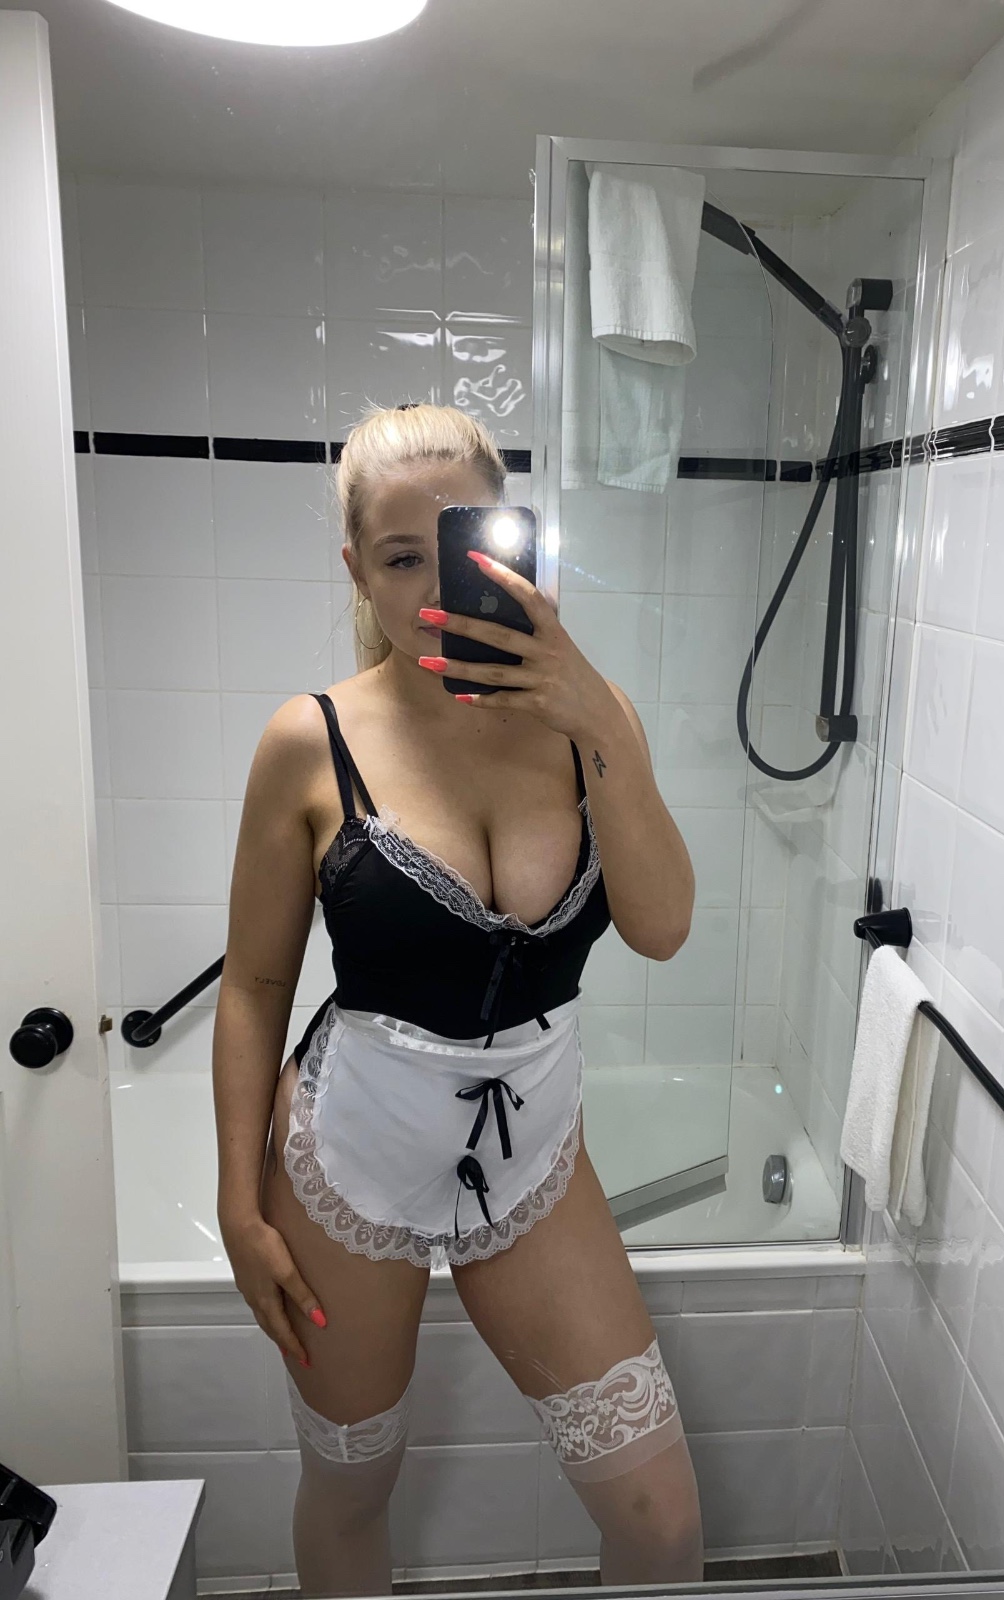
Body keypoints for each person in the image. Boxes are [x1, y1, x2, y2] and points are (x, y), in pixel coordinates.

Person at [213, 403, 702, 1598]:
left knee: (660, 1518)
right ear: (356, 570)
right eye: (399, 558)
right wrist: (237, 1200)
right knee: (352, 1487)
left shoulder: (592, 720)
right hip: (347, 1155)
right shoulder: (309, 740)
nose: (435, 587)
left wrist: (595, 716)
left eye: (460, 544)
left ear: (513, 539)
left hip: (533, 1151)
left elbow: (663, 926)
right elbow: (256, 984)